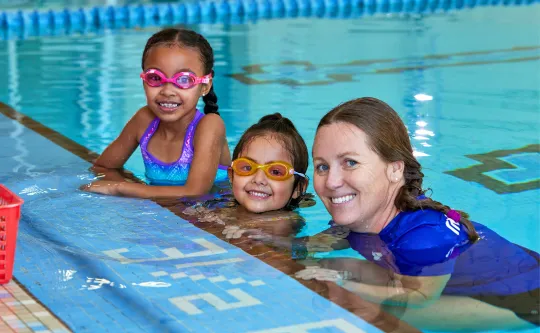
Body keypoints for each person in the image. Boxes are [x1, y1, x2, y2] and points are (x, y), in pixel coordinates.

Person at [250, 98, 539, 331]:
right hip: (465, 280)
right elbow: (307, 248)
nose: (332, 181)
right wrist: (253, 236)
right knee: (334, 266)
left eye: (350, 162)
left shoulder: (425, 236)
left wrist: (342, 283)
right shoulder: (361, 219)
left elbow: (419, 298)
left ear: (395, 169)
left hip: (523, 298)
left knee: (355, 306)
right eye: (322, 166)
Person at [82, 28, 230, 198]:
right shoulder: (144, 121)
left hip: (214, 216)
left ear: (205, 85)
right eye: (155, 77)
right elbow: (103, 167)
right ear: (144, 80)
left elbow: (194, 192)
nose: (167, 91)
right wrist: (139, 188)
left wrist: (121, 188)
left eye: (184, 80)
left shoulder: (210, 125)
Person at [178, 113, 313, 239]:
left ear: (298, 187)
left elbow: (292, 249)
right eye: (247, 167)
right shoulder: (225, 208)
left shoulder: (285, 222)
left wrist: (259, 236)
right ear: (232, 176)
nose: (259, 179)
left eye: (276, 172)